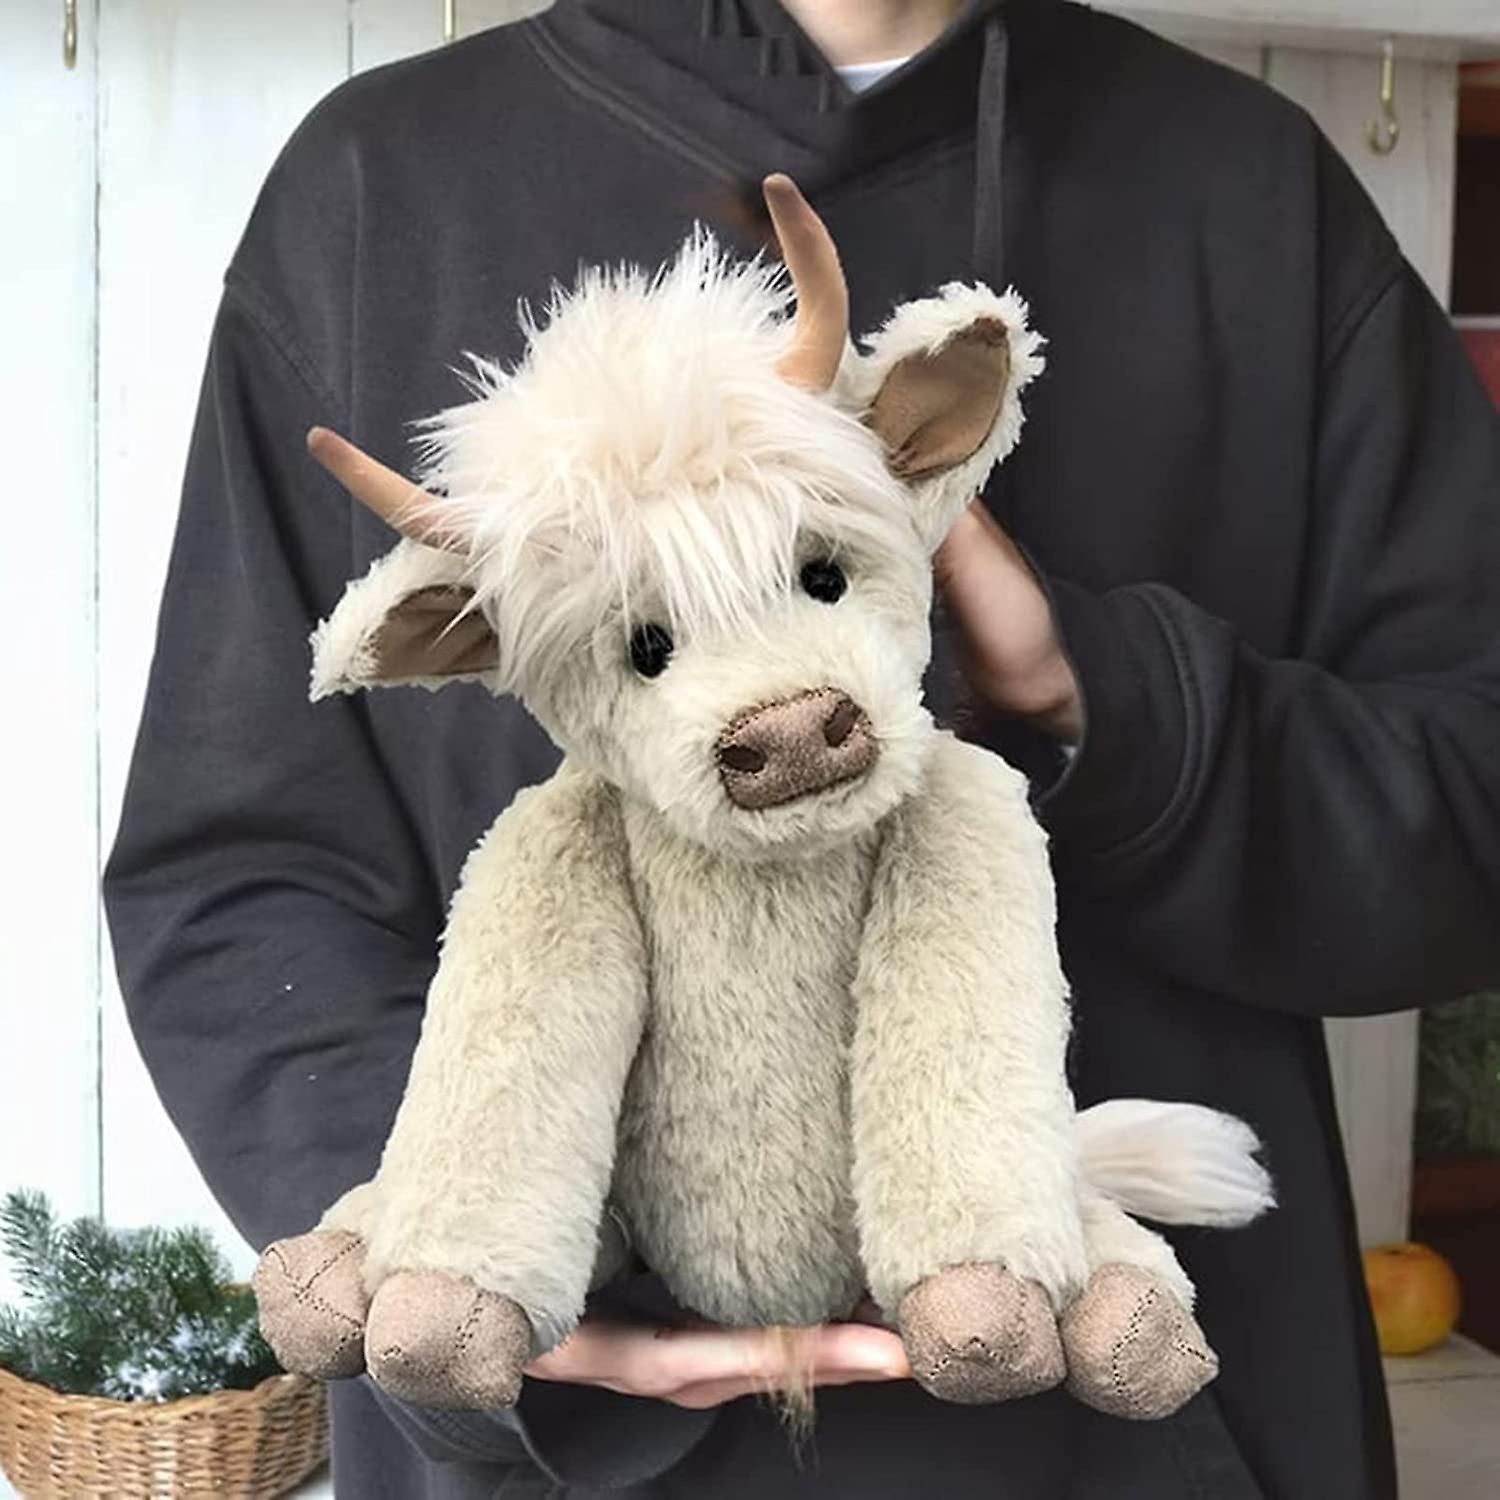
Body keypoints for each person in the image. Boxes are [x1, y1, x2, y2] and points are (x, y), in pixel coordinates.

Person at [103, 0, 1500, 1494]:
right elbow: (236, 873)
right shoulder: (378, 185)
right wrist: (483, 1237)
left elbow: (1472, 815)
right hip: (559, 1452)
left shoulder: (1251, 184)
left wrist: (1086, 686)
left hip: (1163, 1417)